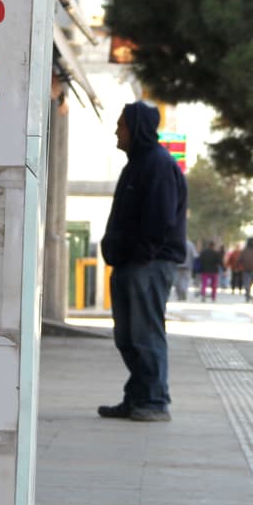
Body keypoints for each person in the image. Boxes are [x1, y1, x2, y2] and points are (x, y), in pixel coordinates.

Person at [97, 101, 189, 423]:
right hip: (131, 264)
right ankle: (137, 396)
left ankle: (153, 400)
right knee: (127, 335)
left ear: (136, 129)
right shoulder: (137, 164)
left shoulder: (158, 165)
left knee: (144, 333)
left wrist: (140, 255)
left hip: (147, 266)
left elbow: (159, 221)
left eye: (121, 125)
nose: (116, 131)